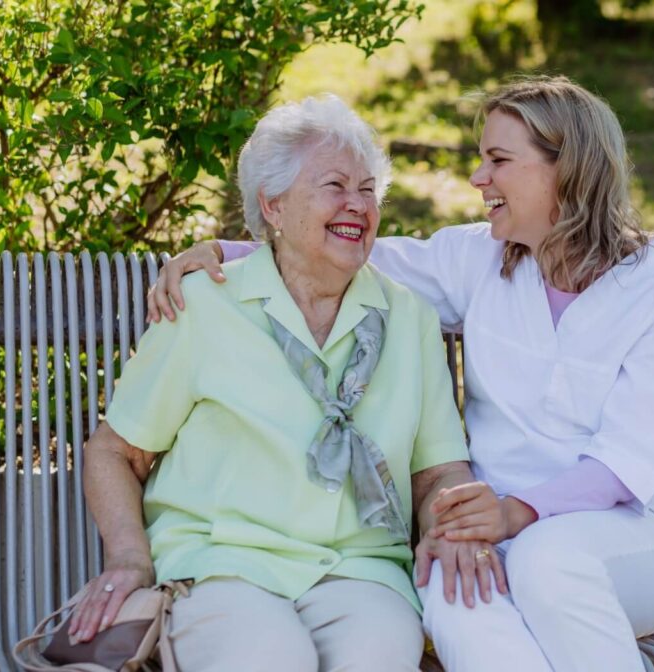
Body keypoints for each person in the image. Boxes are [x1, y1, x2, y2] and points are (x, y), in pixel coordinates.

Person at [147, 76, 654, 672]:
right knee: (451, 594)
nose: (478, 179)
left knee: (550, 561)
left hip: (629, 538)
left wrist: (514, 512)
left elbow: (628, 461)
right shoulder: (481, 258)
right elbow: (359, 257)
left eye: (498, 160)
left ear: (566, 170)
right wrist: (219, 251)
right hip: (486, 532)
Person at [73, 94, 498, 672]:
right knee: (270, 657)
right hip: (222, 561)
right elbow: (116, 451)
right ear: (272, 206)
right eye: (335, 186)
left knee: (378, 654)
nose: (358, 205)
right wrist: (129, 559)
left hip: (359, 567)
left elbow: (438, 469)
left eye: (368, 189)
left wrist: (453, 523)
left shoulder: (410, 318)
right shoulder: (205, 305)